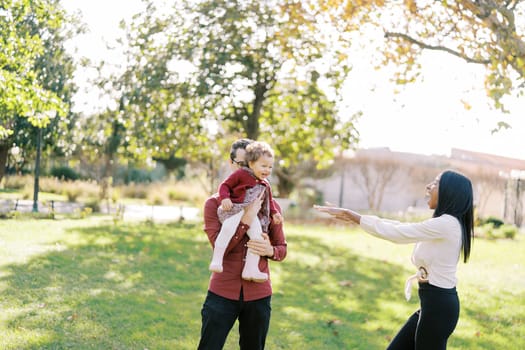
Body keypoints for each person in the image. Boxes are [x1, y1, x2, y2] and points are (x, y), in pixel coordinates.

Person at [314, 169, 474, 350]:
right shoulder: (445, 224)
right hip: (432, 305)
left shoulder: (447, 224)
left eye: (436, 183)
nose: (429, 186)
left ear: (449, 191)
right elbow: (400, 226)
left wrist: (355, 217)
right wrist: (356, 217)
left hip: (439, 309)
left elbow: (398, 233)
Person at [198, 138, 288, 350]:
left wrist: (270, 250)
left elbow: (282, 249)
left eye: (251, 165)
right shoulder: (214, 204)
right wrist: (246, 220)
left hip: (259, 295)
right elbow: (220, 247)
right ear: (232, 164)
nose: (247, 170)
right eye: (242, 165)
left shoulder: (270, 206)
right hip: (222, 291)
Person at [209, 141, 283, 282]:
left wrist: (275, 213)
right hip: (234, 209)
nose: (267, 170)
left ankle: (251, 269)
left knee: (257, 237)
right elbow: (225, 185)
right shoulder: (241, 175)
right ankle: (217, 260)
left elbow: (270, 201)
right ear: (251, 164)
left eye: (270, 167)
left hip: (254, 214)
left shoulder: (265, 184)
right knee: (228, 229)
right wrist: (225, 198)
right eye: (263, 166)